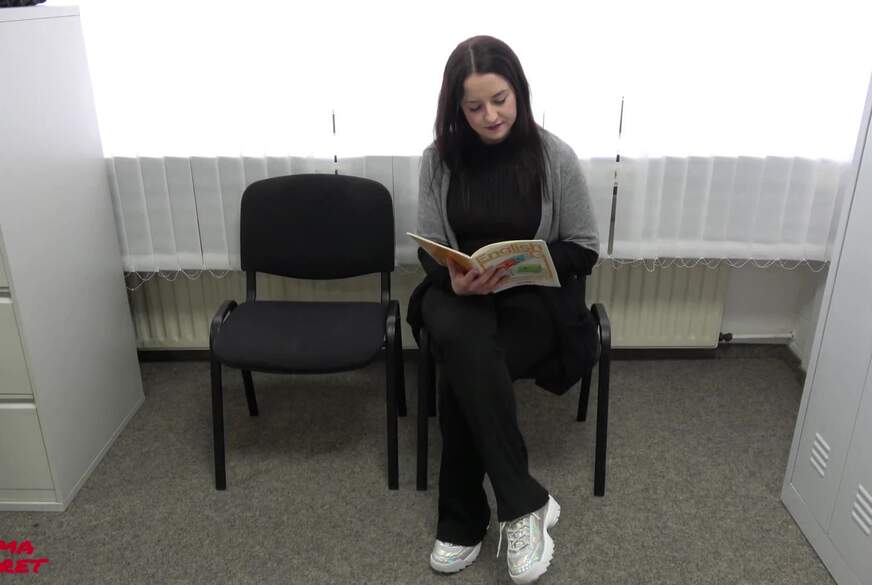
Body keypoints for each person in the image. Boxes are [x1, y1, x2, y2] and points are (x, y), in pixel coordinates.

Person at [405, 35, 600, 584]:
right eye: (474, 107)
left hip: (531, 305)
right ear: (456, 108)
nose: (490, 116)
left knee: (462, 367)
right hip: (460, 297)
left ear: (519, 92)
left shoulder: (554, 156)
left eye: (500, 100)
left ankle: (462, 520)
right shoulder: (437, 161)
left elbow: (585, 246)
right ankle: (524, 503)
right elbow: (428, 247)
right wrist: (452, 276)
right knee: (461, 337)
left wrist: (526, 265)